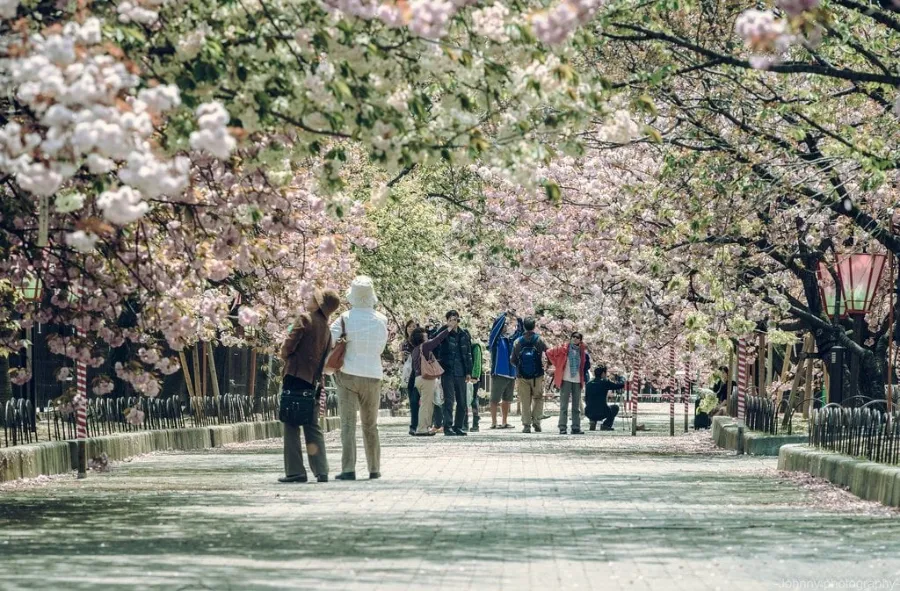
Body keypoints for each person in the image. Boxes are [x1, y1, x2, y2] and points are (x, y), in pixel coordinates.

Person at [278, 287, 341, 483]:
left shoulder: (305, 319)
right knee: (312, 425)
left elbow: (288, 346)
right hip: (313, 381)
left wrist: (284, 354)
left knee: (290, 424)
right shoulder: (327, 330)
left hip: (295, 376)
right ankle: (321, 470)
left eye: (314, 297)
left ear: (319, 304)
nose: (310, 299)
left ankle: (295, 471)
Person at [331, 276, 389, 481]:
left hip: (348, 374)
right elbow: (382, 347)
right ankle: (374, 468)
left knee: (348, 424)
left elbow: (329, 341)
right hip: (373, 374)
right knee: (370, 425)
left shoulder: (344, 318)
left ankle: (348, 468)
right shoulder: (382, 319)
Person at [434, 310, 474, 437]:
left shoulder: (463, 334)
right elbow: (434, 343)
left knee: (462, 401)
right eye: (451, 319)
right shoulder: (443, 332)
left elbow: (468, 354)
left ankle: (458, 426)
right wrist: (447, 329)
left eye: (456, 319)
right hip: (447, 371)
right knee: (449, 400)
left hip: (461, 371)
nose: (454, 321)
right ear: (447, 320)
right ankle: (448, 427)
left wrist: (469, 371)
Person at [510, 317, 549, 433]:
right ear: (534, 326)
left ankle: (526, 425)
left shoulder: (518, 341)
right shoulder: (539, 340)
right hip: (537, 375)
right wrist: (547, 365)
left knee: (525, 401)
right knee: (538, 398)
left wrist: (519, 367)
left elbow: (512, 360)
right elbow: (549, 353)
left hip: (522, 376)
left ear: (524, 327)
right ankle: (537, 422)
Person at [546, 331, 589, 435]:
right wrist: (558, 364)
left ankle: (576, 427)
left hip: (577, 380)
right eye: (573, 337)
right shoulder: (564, 349)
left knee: (576, 407)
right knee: (563, 405)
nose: (575, 339)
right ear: (570, 338)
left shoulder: (582, 352)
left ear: (580, 340)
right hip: (565, 379)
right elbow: (549, 352)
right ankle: (562, 427)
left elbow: (586, 365)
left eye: (577, 337)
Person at [410, 326, 450, 435]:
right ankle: (422, 429)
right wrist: (449, 329)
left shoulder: (415, 350)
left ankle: (425, 427)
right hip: (426, 379)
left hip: (418, 379)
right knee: (425, 405)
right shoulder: (425, 346)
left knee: (427, 404)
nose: (427, 335)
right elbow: (437, 340)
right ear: (421, 337)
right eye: (425, 334)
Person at [487, 311, 522, 429]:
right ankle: (493, 422)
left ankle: (504, 421)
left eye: (507, 324)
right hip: (499, 373)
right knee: (495, 399)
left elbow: (520, 333)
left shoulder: (510, 340)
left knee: (507, 399)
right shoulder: (495, 339)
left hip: (511, 374)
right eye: (505, 324)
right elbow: (495, 328)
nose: (506, 326)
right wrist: (503, 315)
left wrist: (518, 318)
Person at [584, 365, 625, 431]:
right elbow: (619, 385)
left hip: (588, 411)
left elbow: (586, 399)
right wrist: (622, 378)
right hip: (602, 411)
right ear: (603, 373)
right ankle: (606, 425)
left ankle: (593, 421)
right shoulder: (605, 382)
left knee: (592, 405)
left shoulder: (588, 384)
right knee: (615, 407)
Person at [401, 319, 419, 436]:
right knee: (413, 401)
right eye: (409, 326)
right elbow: (403, 361)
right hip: (410, 374)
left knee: (422, 401)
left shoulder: (420, 341)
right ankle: (413, 426)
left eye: (413, 326)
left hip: (420, 373)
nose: (411, 328)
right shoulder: (404, 344)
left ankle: (425, 423)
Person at [465, 339, 485, 431]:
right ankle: (464, 423)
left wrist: (475, 376)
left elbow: (477, 362)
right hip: (464, 377)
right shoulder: (463, 346)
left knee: (473, 399)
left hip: (473, 378)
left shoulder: (475, 346)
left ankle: (475, 424)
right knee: (464, 400)